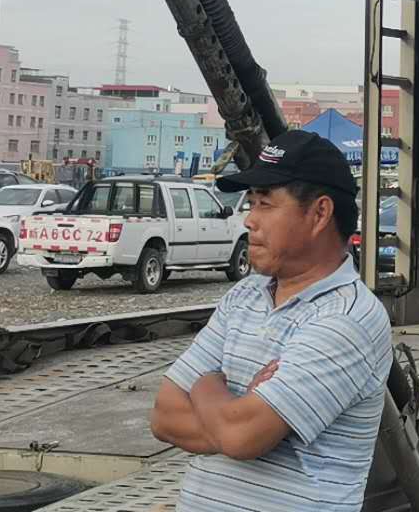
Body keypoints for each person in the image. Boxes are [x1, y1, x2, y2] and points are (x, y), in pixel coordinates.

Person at [150, 130, 392, 511]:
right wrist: (236, 414)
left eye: (265, 204)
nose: (249, 220)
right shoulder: (244, 296)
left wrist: (206, 386)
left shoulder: (347, 319)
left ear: (319, 214)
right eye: (251, 203)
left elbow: (243, 436)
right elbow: (164, 416)